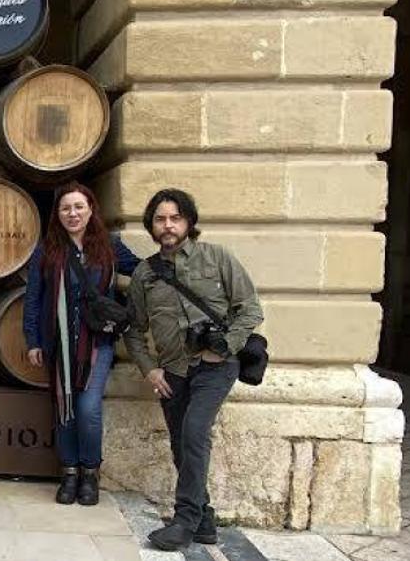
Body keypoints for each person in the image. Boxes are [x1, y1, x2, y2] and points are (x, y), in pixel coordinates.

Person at [122, 188, 264, 551]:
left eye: (175, 218)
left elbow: (250, 309)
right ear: (151, 226)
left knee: (194, 432)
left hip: (215, 368)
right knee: (180, 444)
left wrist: (226, 347)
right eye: (160, 219)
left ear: (188, 222)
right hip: (171, 371)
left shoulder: (216, 258)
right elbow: (134, 330)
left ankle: (184, 521)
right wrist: (150, 370)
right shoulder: (144, 274)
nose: (168, 226)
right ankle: (204, 519)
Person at [23, 181, 139, 506]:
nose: (72, 213)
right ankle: (69, 473)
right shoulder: (46, 250)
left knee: (88, 409)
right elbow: (34, 299)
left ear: (90, 210)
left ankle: (90, 472)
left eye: (78, 207)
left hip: (97, 343)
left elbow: (143, 273)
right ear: (57, 214)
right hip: (58, 343)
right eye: (65, 208)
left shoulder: (110, 247)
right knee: (65, 409)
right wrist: (32, 340)